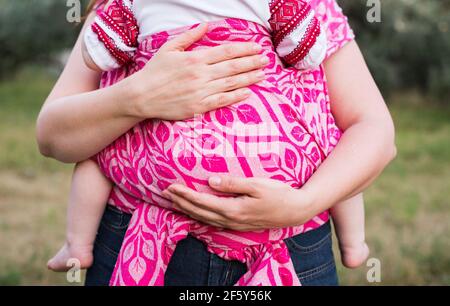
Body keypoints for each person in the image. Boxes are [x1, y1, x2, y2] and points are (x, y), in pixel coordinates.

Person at [37, 0, 396, 286]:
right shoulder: (124, 8)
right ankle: (76, 244)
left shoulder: (309, 8)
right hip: (137, 235)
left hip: (292, 244)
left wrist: (303, 204)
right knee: (93, 164)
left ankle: (354, 243)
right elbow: (52, 137)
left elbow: (374, 130)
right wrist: (137, 96)